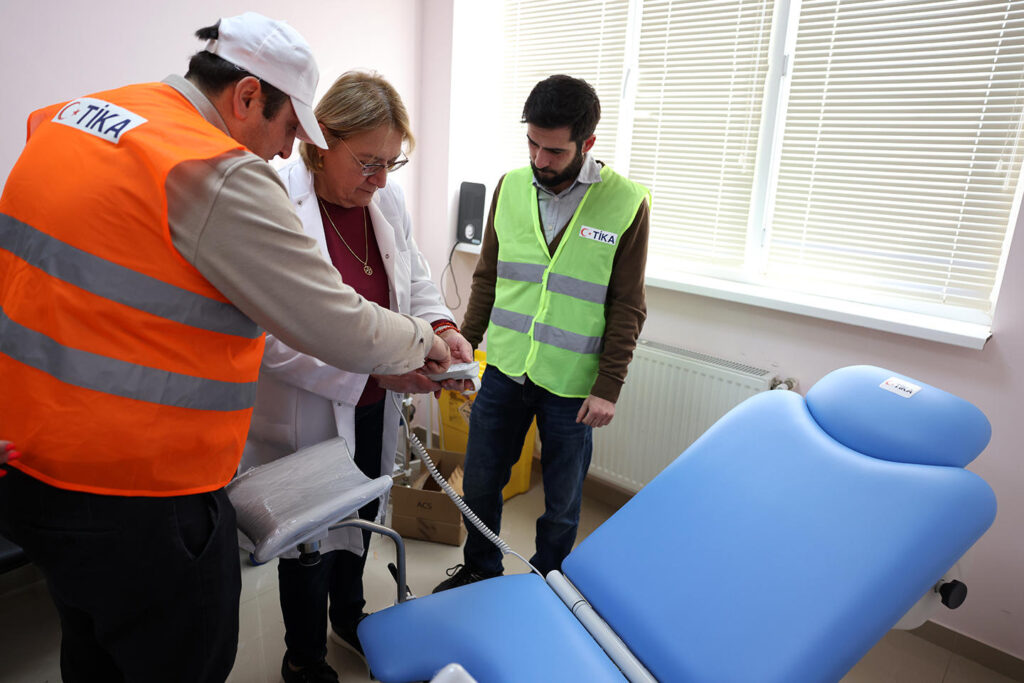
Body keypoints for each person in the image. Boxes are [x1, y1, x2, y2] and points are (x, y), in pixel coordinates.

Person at [0, 13, 450, 683]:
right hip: (141, 491)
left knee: (93, 653)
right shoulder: (214, 170)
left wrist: (430, 322)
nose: (286, 149)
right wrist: (422, 344)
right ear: (246, 96)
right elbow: (329, 319)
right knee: (183, 657)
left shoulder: (78, 117)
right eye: (289, 128)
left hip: (34, 469)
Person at [241, 71, 473, 683]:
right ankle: (304, 657)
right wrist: (379, 371)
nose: (381, 179)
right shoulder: (274, 201)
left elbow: (414, 277)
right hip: (308, 409)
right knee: (310, 541)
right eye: (369, 162)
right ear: (321, 142)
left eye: (391, 163)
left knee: (365, 513)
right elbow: (269, 337)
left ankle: (350, 618)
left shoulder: (384, 201)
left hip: (375, 405)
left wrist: (441, 327)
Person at [433, 75, 650, 593]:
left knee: (562, 501)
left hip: (572, 383)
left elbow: (627, 305)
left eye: (554, 150)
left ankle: (547, 584)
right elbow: (488, 276)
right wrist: (465, 344)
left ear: (587, 143)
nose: (539, 159)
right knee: (480, 481)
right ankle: (480, 569)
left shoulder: (626, 203)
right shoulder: (509, 187)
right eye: (531, 143)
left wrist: (609, 386)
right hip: (505, 369)